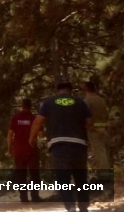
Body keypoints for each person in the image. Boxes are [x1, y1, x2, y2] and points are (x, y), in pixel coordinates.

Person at [30, 81, 92, 212]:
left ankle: (70, 207)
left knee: (63, 179)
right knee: (81, 178)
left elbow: (37, 122)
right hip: (79, 144)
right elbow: (89, 123)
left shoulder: (48, 102)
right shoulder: (80, 102)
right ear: (70, 91)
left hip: (58, 145)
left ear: (57, 90)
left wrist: (32, 138)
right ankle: (83, 207)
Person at [7, 98, 41, 202]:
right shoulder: (34, 118)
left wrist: (9, 148)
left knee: (21, 174)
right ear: (30, 106)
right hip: (31, 150)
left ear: (22, 106)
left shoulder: (15, 118)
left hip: (19, 150)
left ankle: (23, 197)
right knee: (34, 174)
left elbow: (9, 135)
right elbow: (40, 134)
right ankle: (35, 196)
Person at [82, 81, 110, 172]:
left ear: (86, 89)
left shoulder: (87, 101)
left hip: (93, 129)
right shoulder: (101, 100)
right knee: (103, 153)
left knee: (99, 154)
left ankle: (105, 177)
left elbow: (84, 116)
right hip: (103, 128)